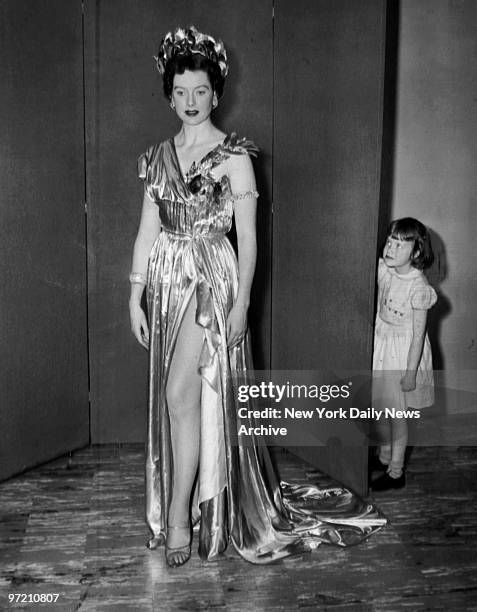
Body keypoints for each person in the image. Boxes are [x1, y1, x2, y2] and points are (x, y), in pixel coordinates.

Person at [130, 25, 385, 567]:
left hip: (212, 283)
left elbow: (247, 238)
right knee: (184, 400)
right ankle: (197, 504)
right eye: (180, 92)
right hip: (169, 282)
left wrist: (242, 301)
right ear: (169, 95)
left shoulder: (234, 155)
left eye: (200, 91)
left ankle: (180, 517)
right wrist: (135, 296)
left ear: (215, 94)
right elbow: (146, 231)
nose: (190, 102)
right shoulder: (158, 157)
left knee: (182, 394)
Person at [371, 218, 437, 491]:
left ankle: (396, 472)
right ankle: (385, 456)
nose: (390, 248)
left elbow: (418, 336)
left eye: (400, 245)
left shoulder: (418, 287)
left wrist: (410, 373)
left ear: (417, 252)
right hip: (382, 345)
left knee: (397, 415)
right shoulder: (387, 271)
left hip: (402, 355)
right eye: (390, 241)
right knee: (382, 408)